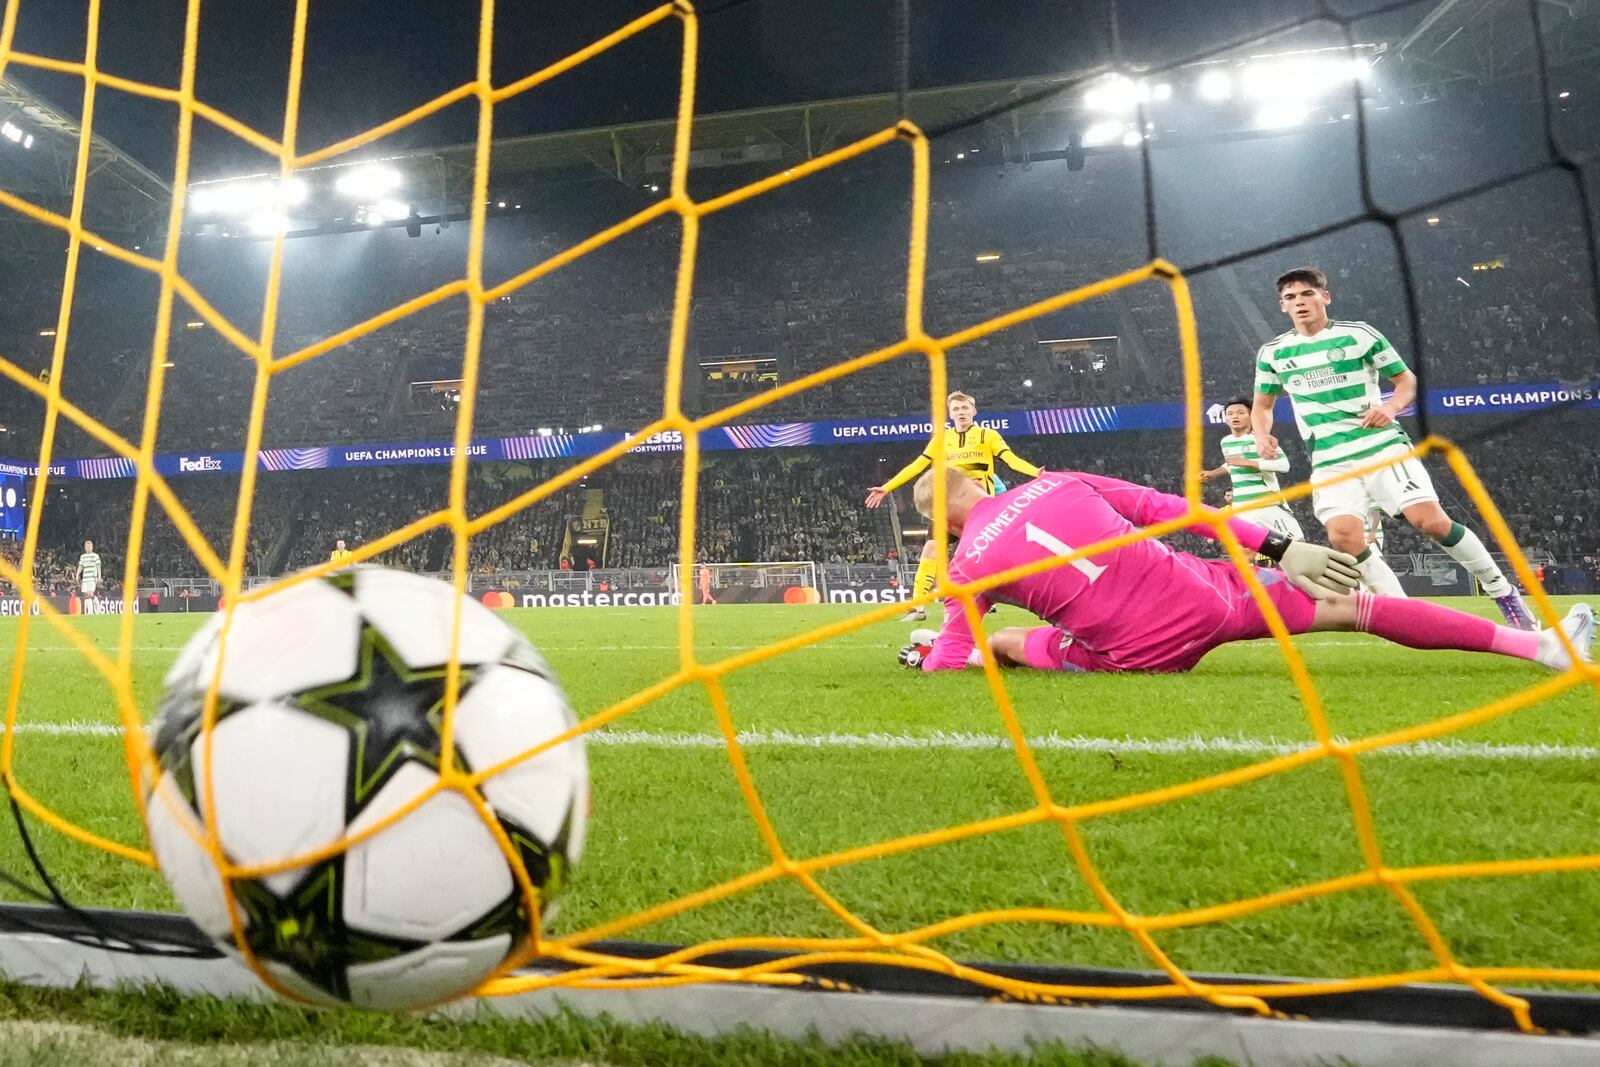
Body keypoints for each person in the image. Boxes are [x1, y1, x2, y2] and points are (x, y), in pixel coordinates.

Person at [899, 467, 1592, 676]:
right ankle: (1542, 646)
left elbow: (954, 657)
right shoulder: (1055, 479)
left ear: (945, 524)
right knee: (1360, 609)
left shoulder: (965, 562)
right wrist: (1282, 548)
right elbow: (1175, 508)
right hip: (1209, 598)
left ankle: (1011, 649)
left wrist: (936, 658)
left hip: (1138, 655)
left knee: (1009, 642)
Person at [1251, 267, 1531, 625]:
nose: (1299, 302)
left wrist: (1390, 407)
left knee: (1430, 522)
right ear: (1282, 306)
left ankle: (1504, 593)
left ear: (1325, 297)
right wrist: (1262, 435)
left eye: (1307, 293)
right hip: (1330, 459)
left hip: (1381, 446)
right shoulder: (1273, 352)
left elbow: (1406, 381)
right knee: (1343, 535)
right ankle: (1404, 612)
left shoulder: (1359, 335)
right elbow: (1263, 407)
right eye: (1291, 297)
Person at [866, 391, 1041, 622]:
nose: (961, 412)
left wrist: (1036, 473)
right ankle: (918, 607)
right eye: (956, 410)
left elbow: (1011, 459)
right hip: (948, 507)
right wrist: (887, 487)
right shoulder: (942, 439)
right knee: (931, 548)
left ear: (973, 411)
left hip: (980, 507)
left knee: (977, 556)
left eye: (965, 408)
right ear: (950, 414)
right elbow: (917, 465)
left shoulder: (987, 435)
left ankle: (993, 597)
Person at [1201, 396, 1304, 541]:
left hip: (1268, 502)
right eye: (1230, 414)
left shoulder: (1262, 439)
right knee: (1245, 551)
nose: (1234, 416)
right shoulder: (1226, 442)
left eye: (1240, 412)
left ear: (1251, 417)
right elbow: (1232, 464)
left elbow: (1283, 465)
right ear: (1225, 419)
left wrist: (1248, 462)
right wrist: (1214, 473)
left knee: (1296, 547)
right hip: (1241, 506)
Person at [75, 540, 101, 613]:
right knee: (86, 594)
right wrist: (77, 575)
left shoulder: (95, 556)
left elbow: (98, 566)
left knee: (90, 593)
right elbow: (81, 566)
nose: (88, 548)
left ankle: (91, 610)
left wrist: (99, 576)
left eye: (89, 546)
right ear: (85, 547)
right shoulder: (83, 557)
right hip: (85, 578)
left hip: (92, 577)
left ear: (92, 547)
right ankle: (93, 605)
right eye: (87, 546)